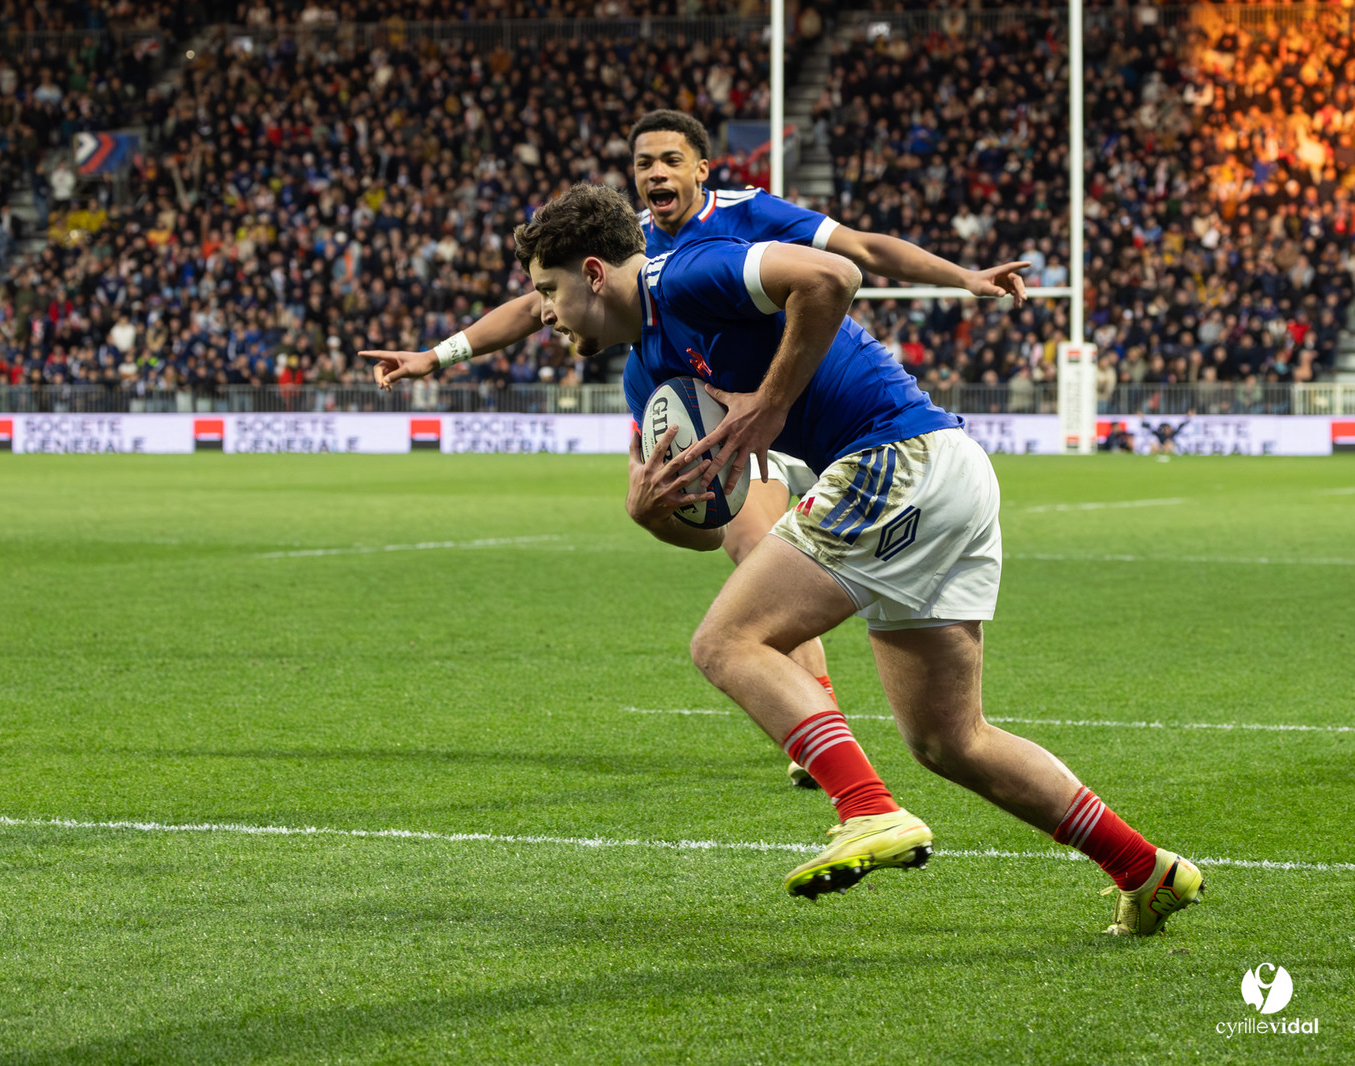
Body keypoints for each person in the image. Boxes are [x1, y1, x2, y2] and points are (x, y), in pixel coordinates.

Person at [513, 182, 1204, 936]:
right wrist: (650, 518)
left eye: (546, 291)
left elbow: (834, 275)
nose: (540, 314)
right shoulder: (645, 376)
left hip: (894, 457)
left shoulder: (684, 273)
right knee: (949, 740)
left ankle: (867, 808)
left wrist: (773, 401)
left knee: (726, 642)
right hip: (940, 472)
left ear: (590, 273)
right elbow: (710, 527)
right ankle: (1147, 869)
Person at [362, 109, 1032, 792]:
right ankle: (817, 719)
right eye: (643, 162)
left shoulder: (746, 218)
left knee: (747, 610)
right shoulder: (633, 259)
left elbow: (855, 252)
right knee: (752, 547)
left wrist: (963, 277)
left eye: (669, 159)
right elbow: (533, 307)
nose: (655, 171)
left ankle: (845, 769)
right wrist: (438, 357)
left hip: (809, 395)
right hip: (722, 413)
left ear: (700, 169)